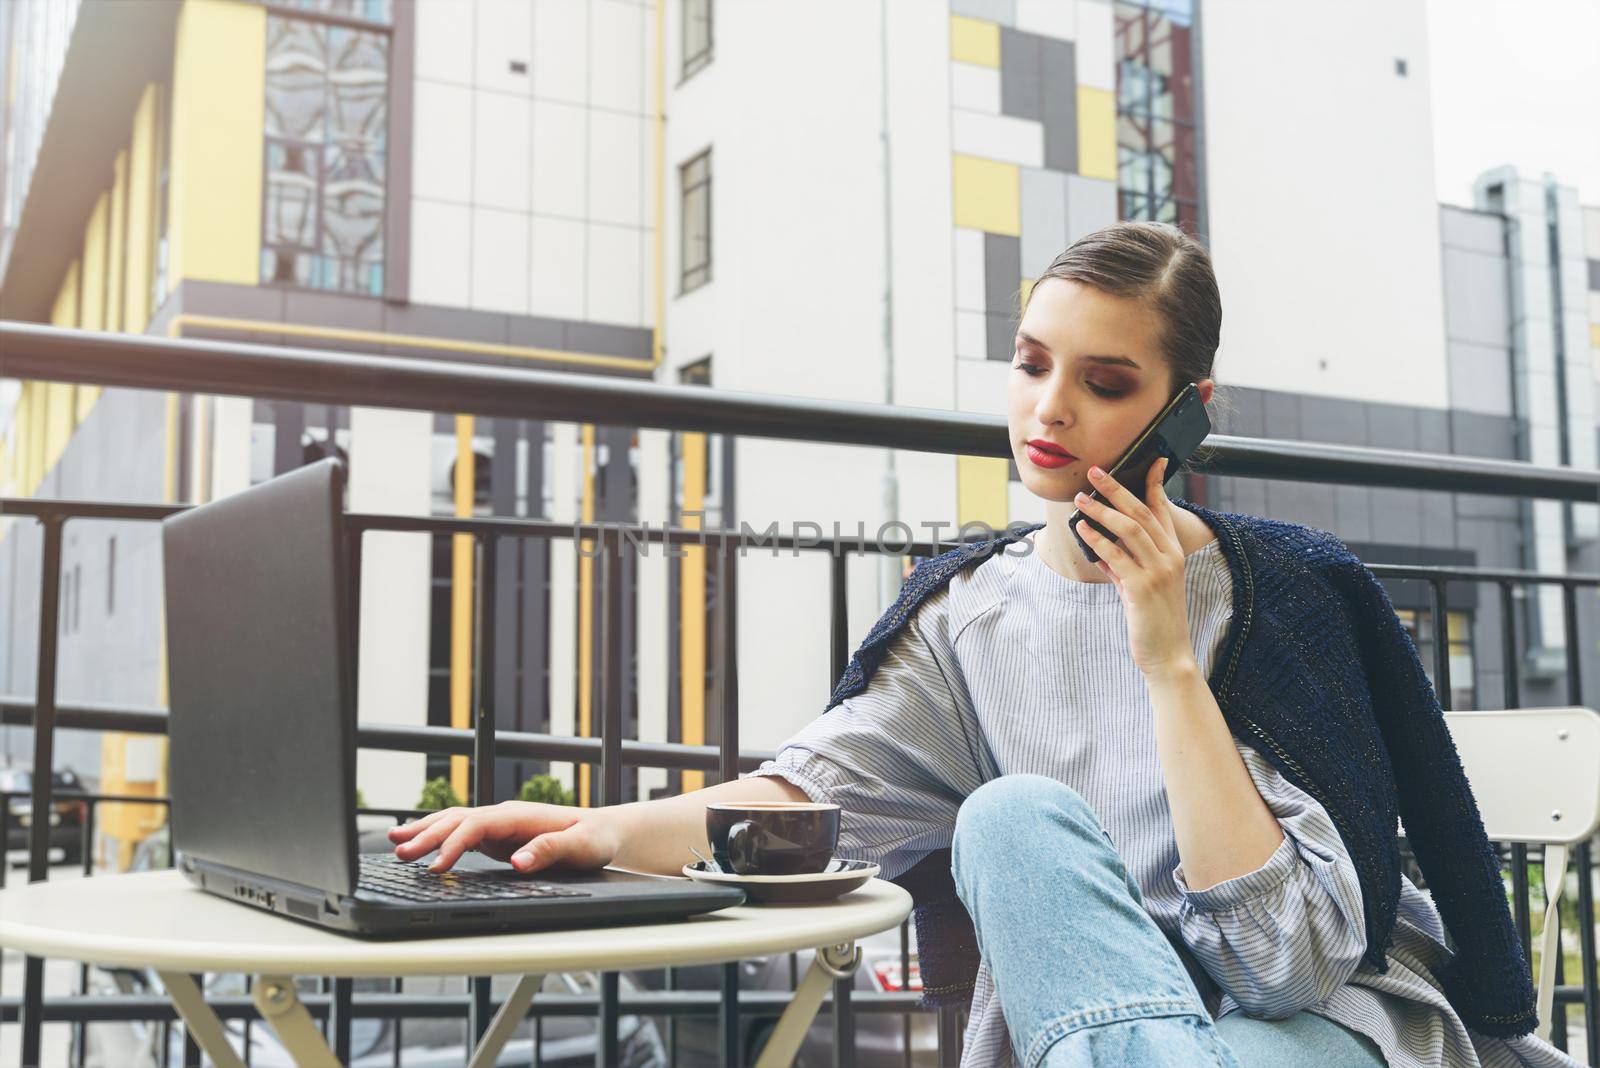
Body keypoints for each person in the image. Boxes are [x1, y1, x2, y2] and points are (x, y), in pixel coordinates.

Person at [388, 222, 1577, 1068]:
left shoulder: (1283, 597)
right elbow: (812, 797)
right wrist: (592, 830)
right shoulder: (970, 613)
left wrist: (1166, 661)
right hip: (1095, 1015)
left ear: (1185, 410)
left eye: (1104, 382)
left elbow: (1284, 964)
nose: (1048, 408)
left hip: (1321, 1030)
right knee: (1009, 818)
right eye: (1030, 363)